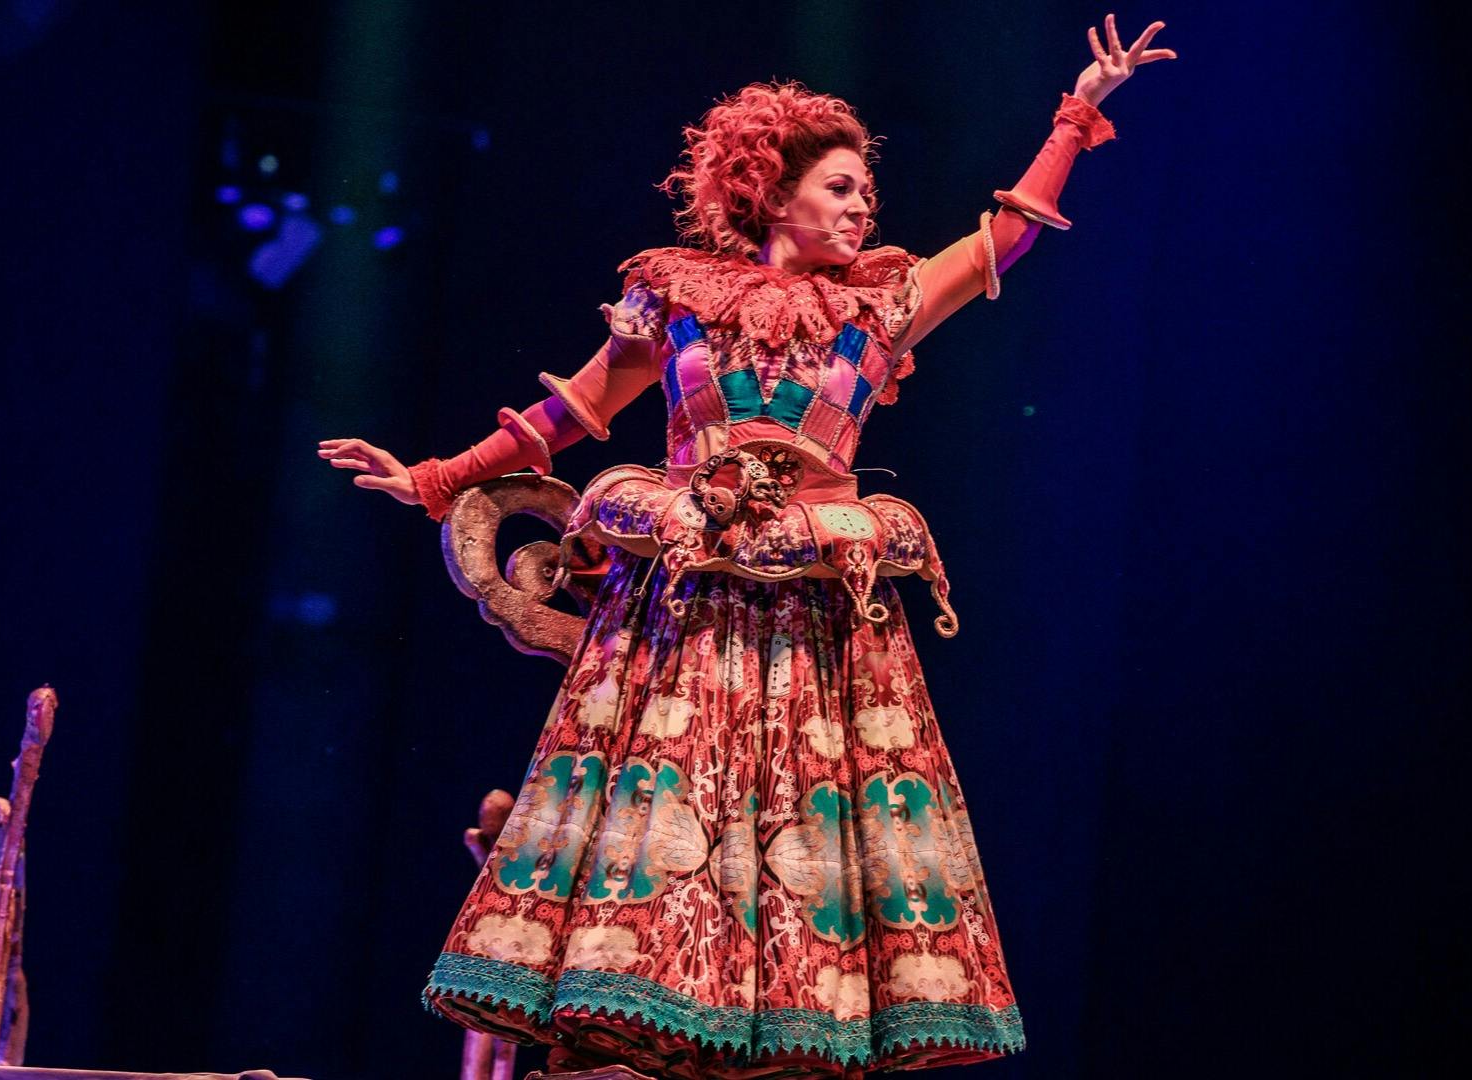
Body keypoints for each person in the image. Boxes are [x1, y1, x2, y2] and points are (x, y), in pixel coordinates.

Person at [321, 15, 1173, 1078]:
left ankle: (791, 1036)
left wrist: (1078, 111)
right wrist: (437, 477)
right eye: (842, 187)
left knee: (806, 820)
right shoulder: (675, 292)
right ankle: (642, 1021)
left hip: (815, 605)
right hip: (682, 607)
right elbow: (578, 409)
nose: (865, 204)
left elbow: (1006, 236)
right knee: (669, 808)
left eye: (869, 188)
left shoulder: (880, 302)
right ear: (772, 193)